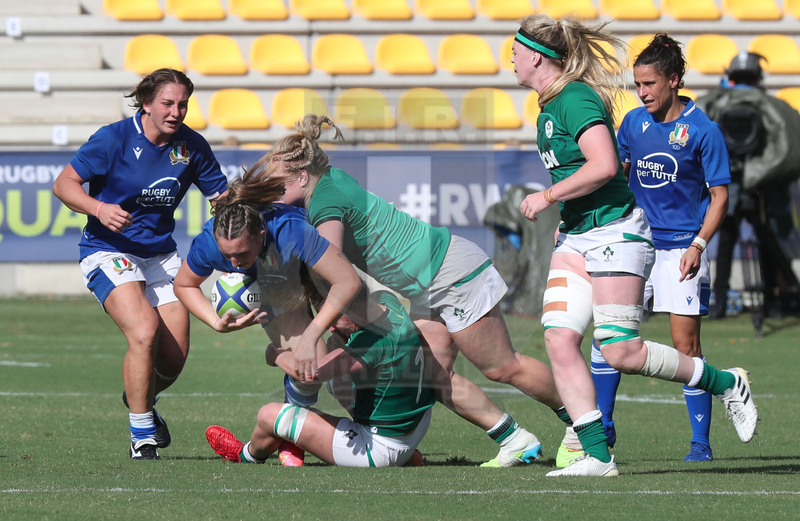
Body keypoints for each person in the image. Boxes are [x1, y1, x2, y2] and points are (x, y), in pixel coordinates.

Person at [511, 14, 759, 476]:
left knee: (621, 349)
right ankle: (597, 453)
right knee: (560, 338)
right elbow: (614, 168)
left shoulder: (576, 99)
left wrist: (547, 196)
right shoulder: (553, 107)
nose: (510, 57)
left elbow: (605, 167)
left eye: (515, 50)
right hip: (579, 232)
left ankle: (724, 385)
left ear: (537, 56)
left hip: (622, 234)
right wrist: (565, 213)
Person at [258, 114, 572, 468]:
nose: (275, 195)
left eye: (278, 185)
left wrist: (312, 326)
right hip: (433, 280)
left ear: (302, 176)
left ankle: (582, 423)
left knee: (502, 366)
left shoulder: (324, 203)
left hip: (451, 274)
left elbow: (328, 265)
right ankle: (515, 440)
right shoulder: (328, 181)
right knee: (429, 377)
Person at [52, 68, 229, 460]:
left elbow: (223, 198)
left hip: (160, 256)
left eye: (183, 104)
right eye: (168, 103)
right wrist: (99, 208)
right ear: (146, 103)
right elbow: (64, 183)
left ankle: (140, 397)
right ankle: (142, 435)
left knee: (174, 358)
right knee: (145, 331)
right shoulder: (113, 138)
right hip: (107, 249)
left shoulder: (192, 146)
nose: (176, 111)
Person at [591, 34, 730, 462]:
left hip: (680, 251)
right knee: (606, 336)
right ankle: (604, 425)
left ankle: (701, 443)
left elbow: (720, 196)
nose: (642, 92)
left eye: (649, 84)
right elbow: (616, 174)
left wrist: (699, 245)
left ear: (673, 80)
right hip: (635, 243)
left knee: (685, 346)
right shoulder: (633, 123)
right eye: (637, 85)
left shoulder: (703, 131)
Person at [173, 169, 363, 466]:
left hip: (317, 269)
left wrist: (317, 328)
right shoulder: (210, 243)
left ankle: (380, 432)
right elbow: (183, 284)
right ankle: (289, 439)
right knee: (310, 365)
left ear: (261, 235)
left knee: (356, 336)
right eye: (228, 255)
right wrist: (215, 322)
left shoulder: (290, 229)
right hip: (277, 289)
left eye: (242, 254)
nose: (233, 264)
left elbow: (347, 282)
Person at [205, 289, 436, 467]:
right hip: (414, 425)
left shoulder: (372, 342)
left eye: (334, 317)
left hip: (381, 447)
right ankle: (403, 453)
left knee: (269, 416)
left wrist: (274, 354)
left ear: (353, 305)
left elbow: (307, 373)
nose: (331, 327)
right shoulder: (387, 302)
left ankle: (245, 455)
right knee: (336, 345)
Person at [695, 53, 800, 322]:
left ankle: (717, 302)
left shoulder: (715, 103)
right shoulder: (773, 106)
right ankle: (771, 302)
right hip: (760, 185)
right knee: (765, 238)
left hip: (734, 181)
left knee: (727, 237)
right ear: (758, 78)